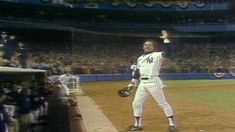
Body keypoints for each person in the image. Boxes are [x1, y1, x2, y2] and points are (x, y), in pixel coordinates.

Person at [128, 39, 177, 132]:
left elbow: (168, 53)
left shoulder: (157, 55)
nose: (147, 46)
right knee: (136, 103)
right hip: (142, 83)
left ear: (154, 47)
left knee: (162, 103)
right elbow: (137, 72)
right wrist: (132, 83)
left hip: (153, 82)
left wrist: (166, 40)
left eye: (149, 45)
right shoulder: (139, 58)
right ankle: (137, 124)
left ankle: (172, 124)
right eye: (145, 44)